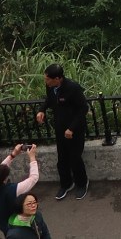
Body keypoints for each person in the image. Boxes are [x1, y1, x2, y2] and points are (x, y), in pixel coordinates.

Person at [34, 63, 89, 200]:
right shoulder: (50, 86)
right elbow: (49, 100)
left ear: (58, 78)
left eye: (48, 79)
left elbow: (83, 109)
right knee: (62, 158)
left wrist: (72, 128)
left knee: (75, 158)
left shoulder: (73, 88)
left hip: (74, 130)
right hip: (60, 128)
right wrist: (42, 110)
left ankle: (82, 183)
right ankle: (66, 184)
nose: (45, 82)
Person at [0, 143, 40, 237]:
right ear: (3, 180)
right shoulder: (13, 190)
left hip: (4, 225)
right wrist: (32, 157)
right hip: (20, 226)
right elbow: (34, 178)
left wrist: (13, 154)